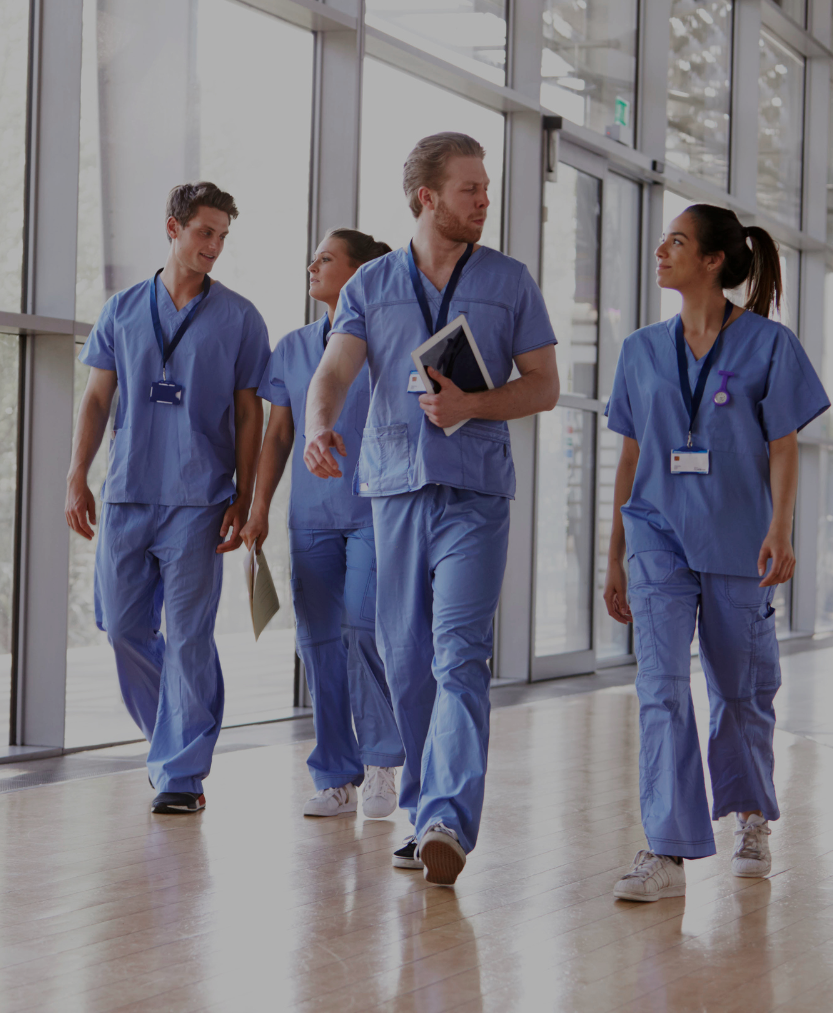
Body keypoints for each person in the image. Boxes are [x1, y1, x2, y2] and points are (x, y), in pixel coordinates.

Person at [303, 133, 559, 884]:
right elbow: (334, 370)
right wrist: (320, 425)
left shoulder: (510, 282)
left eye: (485, 188)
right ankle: (422, 811)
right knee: (408, 661)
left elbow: (542, 384)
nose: (485, 200)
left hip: (476, 494)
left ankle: (447, 814)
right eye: (470, 189)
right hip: (393, 491)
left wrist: (474, 403)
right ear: (428, 197)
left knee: (458, 655)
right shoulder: (371, 285)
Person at [604, 205, 829, 902]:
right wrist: (614, 552)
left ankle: (752, 814)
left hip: (738, 538)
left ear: (712, 262)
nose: (661, 249)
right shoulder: (641, 349)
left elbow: (784, 443)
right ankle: (666, 850)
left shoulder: (769, 345)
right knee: (661, 689)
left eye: (676, 241)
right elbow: (632, 452)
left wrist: (781, 529)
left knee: (741, 691)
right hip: (657, 537)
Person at [65, 182, 270, 816]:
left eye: (222, 236)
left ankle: (182, 771)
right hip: (128, 493)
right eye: (204, 232)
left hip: (200, 499)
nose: (214, 246)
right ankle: (169, 742)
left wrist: (244, 493)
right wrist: (77, 475)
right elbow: (99, 399)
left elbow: (248, 414)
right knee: (124, 628)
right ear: (173, 229)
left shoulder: (240, 317)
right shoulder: (123, 309)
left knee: (187, 638)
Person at [241, 228, 405, 820]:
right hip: (309, 519)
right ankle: (337, 773)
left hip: (374, 511)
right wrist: (259, 510)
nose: (313, 265)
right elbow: (278, 434)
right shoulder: (291, 347)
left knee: (363, 629)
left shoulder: (388, 343)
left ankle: (385, 760)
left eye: (327, 258)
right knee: (317, 645)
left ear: (362, 273)